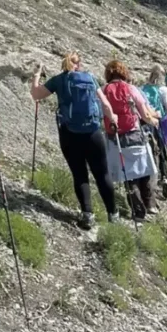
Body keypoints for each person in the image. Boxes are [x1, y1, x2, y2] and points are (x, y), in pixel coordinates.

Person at [31, 52, 118, 229]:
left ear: (64, 64)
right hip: (93, 133)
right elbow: (105, 104)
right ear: (79, 64)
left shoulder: (58, 80)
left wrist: (36, 76)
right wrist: (113, 119)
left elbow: (37, 94)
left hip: (69, 134)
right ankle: (113, 215)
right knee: (102, 174)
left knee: (79, 173)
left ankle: (87, 214)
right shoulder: (90, 78)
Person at [103, 61, 159, 217]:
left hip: (115, 137)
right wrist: (154, 121)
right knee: (144, 169)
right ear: (123, 73)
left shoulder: (104, 90)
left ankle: (138, 211)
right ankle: (150, 204)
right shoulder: (131, 89)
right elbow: (144, 113)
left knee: (128, 174)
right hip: (135, 134)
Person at [141, 64, 167, 198]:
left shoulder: (143, 88)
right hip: (163, 122)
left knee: (159, 152)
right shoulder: (163, 89)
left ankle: (163, 177)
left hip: (150, 124)